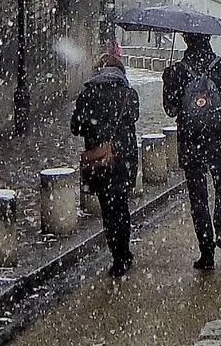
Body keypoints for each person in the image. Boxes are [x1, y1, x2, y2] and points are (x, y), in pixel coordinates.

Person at [162, 32, 221, 270]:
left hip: (191, 141)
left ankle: (206, 252)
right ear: (208, 39)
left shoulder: (177, 71)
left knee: (198, 197)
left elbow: (171, 110)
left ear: (185, 40)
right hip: (220, 138)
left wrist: (168, 82)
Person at [72, 45, 140, 278]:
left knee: (108, 209)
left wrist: (95, 128)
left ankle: (116, 256)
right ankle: (124, 253)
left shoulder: (88, 93)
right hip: (124, 159)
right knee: (121, 206)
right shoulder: (128, 94)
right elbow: (134, 118)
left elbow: (76, 127)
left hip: (99, 161)